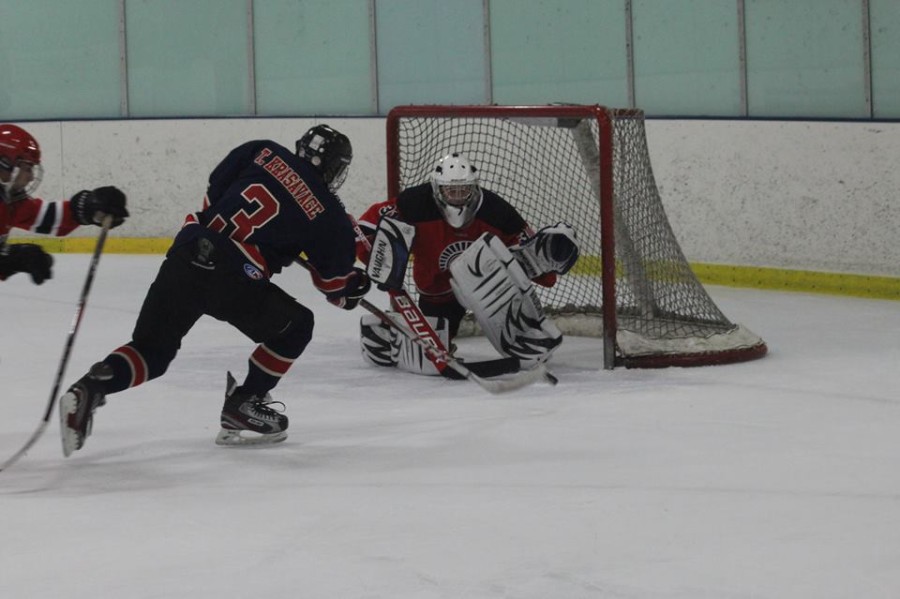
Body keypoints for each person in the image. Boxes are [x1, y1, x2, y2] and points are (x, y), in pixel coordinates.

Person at [59, 124, 370, 455]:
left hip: (188, 251)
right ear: (334, 166)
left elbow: (215, 193)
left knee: (152, 349)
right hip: (233, 277)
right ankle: (246, 402)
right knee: (296, 328)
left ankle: (88, 389)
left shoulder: (262, 150)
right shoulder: (327, 211)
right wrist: (353, 286)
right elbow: (333, 284)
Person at [356, 152, 579, 374]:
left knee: (492, 264)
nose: (457, 196)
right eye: (450, 191)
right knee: (432, 346)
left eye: (463, 190)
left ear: (474, 188)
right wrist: (376, 258)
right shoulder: (415, 203)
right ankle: (390, 337)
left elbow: (537, 263)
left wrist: (548, 257)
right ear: (437, 189)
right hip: (437, 292)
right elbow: (366, 226)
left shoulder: (496, 211)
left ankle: (522, 333)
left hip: (491, 291)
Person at [0, 124, 129, 284]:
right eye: (26, 168)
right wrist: (13, 258)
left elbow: (46, 217)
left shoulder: (11, 202)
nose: (31, 177)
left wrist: (89, 206)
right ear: (4, 163)